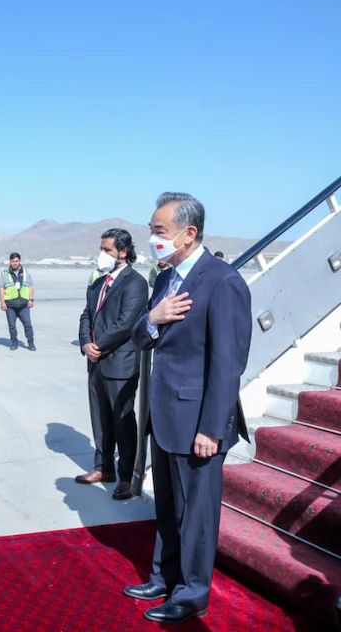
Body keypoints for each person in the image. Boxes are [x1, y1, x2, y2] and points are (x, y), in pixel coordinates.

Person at [126, 193, 251, 623]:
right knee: (167, 505)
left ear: (189, 233)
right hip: (164, 415)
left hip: (198, 421)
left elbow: (227, 363)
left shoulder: (223, 281)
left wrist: (212, 427)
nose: (152, 239)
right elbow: (141, 338)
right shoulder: (165, 279)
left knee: (196, 514)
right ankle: (164, 576)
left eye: (159, 231)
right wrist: (153, 318)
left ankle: (193, 593)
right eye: (151, 231)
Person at [77, 229, 147, 500]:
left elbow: (126, 323)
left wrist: (98, 346)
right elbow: (86, 315)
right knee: (100, 419)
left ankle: (127, 476)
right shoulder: (98, 282)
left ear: (123, 252)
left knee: (122, 422)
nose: (102, 254)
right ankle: (103, 467)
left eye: (107, 250)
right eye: (101, 249)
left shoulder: (135, 283)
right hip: (95, 363)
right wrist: (86, 344)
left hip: (120, 365)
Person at [0, 252, 35, 351]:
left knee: (28, 325)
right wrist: (2, 302)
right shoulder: (5, 273)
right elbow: (1, 288)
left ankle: (31, 342)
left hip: (24, 305)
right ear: (10, 262)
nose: (15, 263)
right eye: (13, 261)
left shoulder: (26, 272)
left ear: (19, 261)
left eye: (17, 261)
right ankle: (14, 343)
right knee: (12, 326)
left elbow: (31, 286)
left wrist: (31, 299)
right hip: (10, 305)